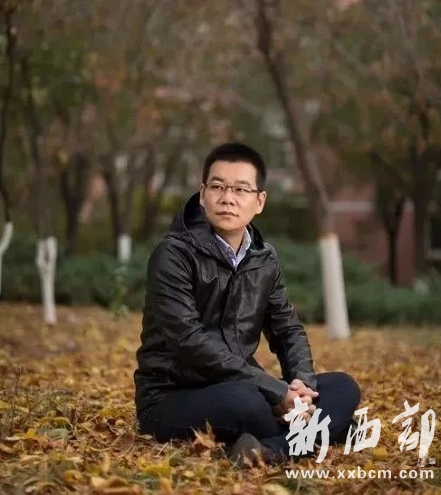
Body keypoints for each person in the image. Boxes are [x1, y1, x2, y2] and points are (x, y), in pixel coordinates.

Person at [134, 142, 360, 467]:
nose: (228, 198)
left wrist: (301, 387)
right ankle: (329, 429)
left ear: (259, 201)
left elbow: (287, 330)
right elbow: (189, 341)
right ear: (202, 194)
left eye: (241, 189)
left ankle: (268, 449)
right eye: (217, 187)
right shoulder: (173, 255)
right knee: (249, 403)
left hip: (241, 383)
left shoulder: (263, 259)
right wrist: (275, 392)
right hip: (170, 395)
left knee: (343, 386)